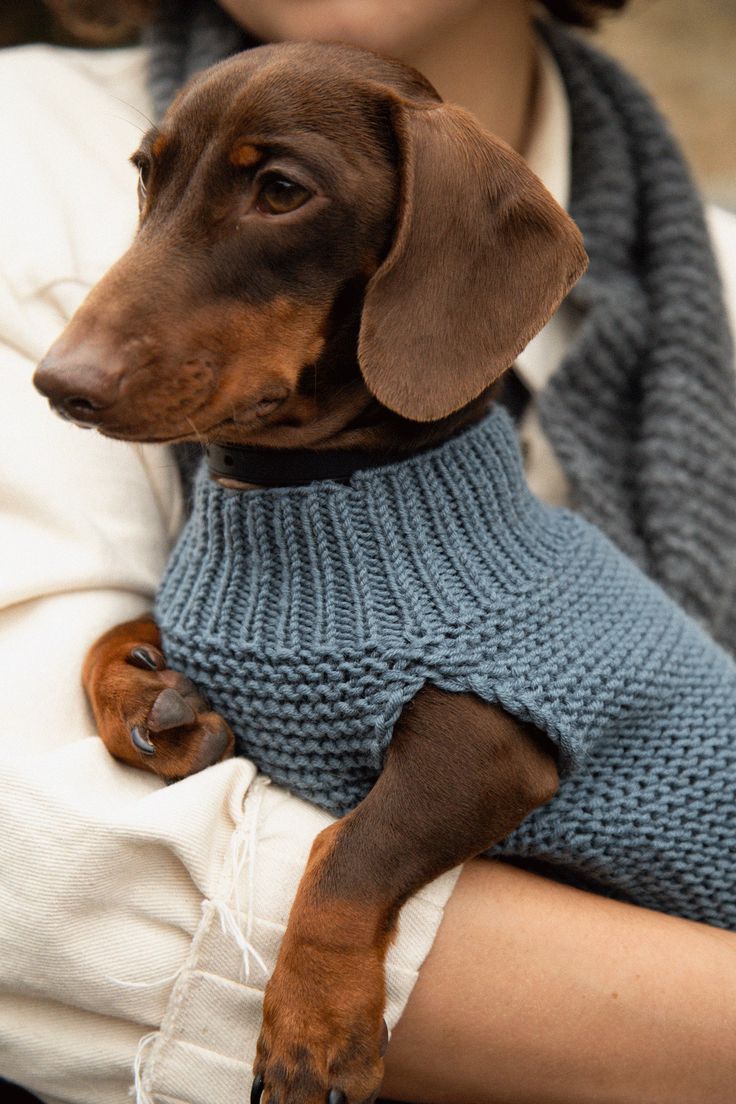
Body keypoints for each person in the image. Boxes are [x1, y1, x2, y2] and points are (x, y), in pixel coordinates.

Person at [1, 2, 735, 1102]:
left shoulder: (712, 273)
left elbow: (485, 741)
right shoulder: (24, 146)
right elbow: (47, 844)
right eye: (157, 186)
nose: (83, 354)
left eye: (279, 189)